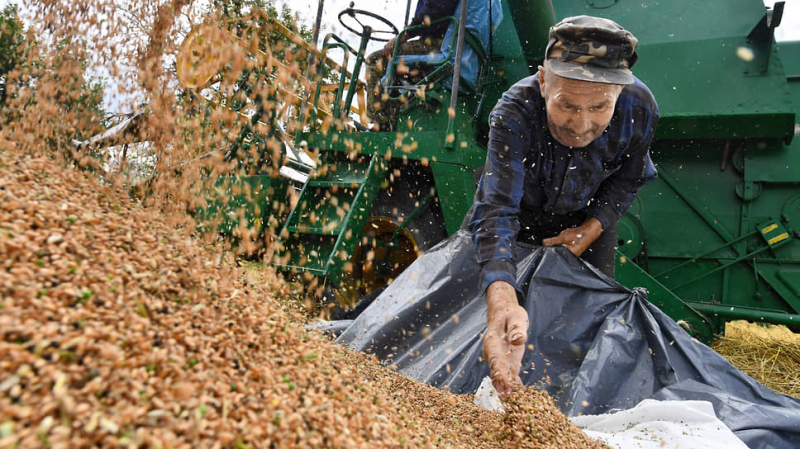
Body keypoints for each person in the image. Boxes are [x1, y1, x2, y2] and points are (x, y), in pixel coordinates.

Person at [468, 16, 659, 397]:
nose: (580, 124)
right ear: (543, 81)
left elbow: (631, 178)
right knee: (481, 303)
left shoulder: (641, 108)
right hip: (517, 212)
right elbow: (497, 208)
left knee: (586, 308)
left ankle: (567, 393)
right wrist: (502, 300)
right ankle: (474, 384)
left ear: (620, 94)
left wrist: (592, 227)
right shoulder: (514, 111)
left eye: (600, 107)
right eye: (567, 105)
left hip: (583, 216)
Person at [365, 0, 459, 131]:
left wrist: (404, 35)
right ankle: (393, 119)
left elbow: (434, 10)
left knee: (375, 60)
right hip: (447, 45)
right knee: (395, 69)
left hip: (435, 45)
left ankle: (381, 122)